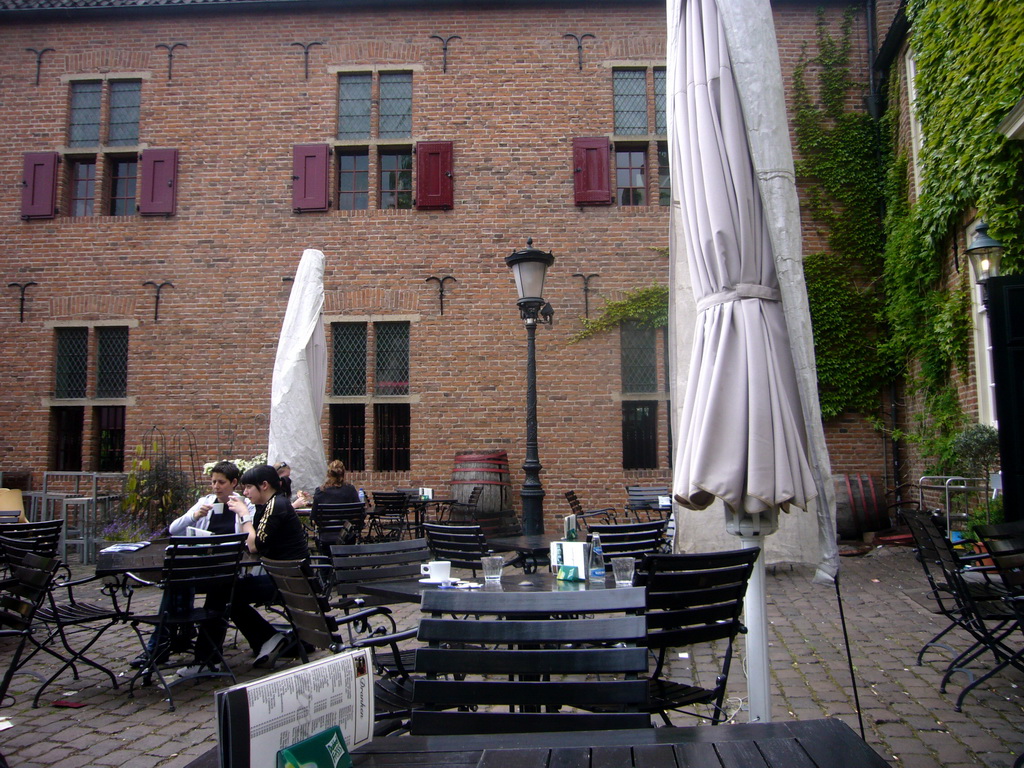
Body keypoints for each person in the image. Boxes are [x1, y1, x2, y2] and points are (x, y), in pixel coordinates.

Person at [179, 464, 309, 677]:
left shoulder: (275, 506)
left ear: (264, 486)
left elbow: (253, 545)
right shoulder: (269, 506)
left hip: (289, 580)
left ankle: (208, 659)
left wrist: (243, 515)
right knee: (224, 588)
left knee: (223, 590)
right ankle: (265, 639)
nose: (245, 493)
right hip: (281, 575)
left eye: (248, 487)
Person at [131, 461, 255, 669]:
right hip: (201, 565)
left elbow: (247, 538)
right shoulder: (205, 502)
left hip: (227, 567)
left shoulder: (244, 505)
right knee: (175, 580)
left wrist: (241, 513)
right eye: (213, 481)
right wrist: (193, 516)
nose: (216, 486)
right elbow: (173, 529)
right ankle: (170, 639)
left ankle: (165, 642)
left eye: (221, 482)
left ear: (233, 483)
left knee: (182, 583)